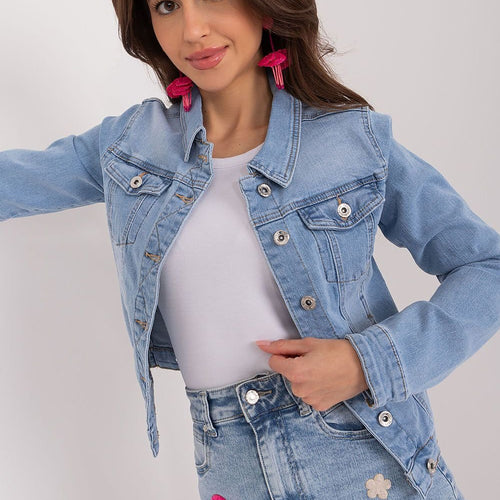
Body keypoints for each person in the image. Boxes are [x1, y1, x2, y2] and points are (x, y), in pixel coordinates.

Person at [1, 0, 498, 498]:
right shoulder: (131, 148)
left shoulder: (352, 140)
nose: (193, 29)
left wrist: (366, 362)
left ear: (265, 8)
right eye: (167, 5)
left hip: (362, 456)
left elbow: (485, 266)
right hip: (228, 467)